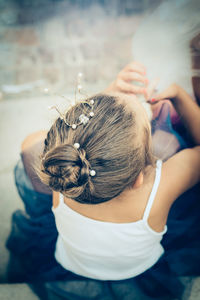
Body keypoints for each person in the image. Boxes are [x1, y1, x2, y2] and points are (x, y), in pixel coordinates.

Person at [6, 61, 200, 300]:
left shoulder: (64, 174)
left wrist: (103, 107)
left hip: (69, 265)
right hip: (142, 274)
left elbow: (30, 144)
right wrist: (179, 96)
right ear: (139, 178)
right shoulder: (160, 187)